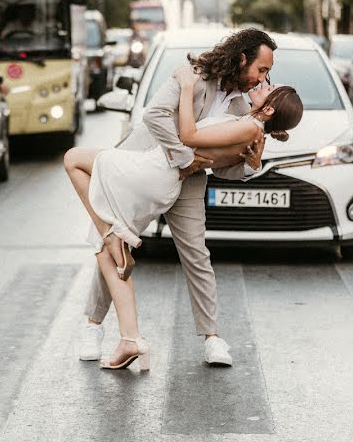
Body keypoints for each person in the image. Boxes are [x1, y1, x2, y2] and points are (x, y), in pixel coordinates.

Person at [66, 28, 296, 368]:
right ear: (242, 58)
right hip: (146, 162)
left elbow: (224, 169)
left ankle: (212, 337)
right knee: (114, 242)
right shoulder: (195, 76)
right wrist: (184, 159)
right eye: (261, 70)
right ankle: (93, 326)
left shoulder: (244, 106)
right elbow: (155, 115)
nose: (264, 78)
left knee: (195, 254)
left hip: (189, 183)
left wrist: (249, 165)